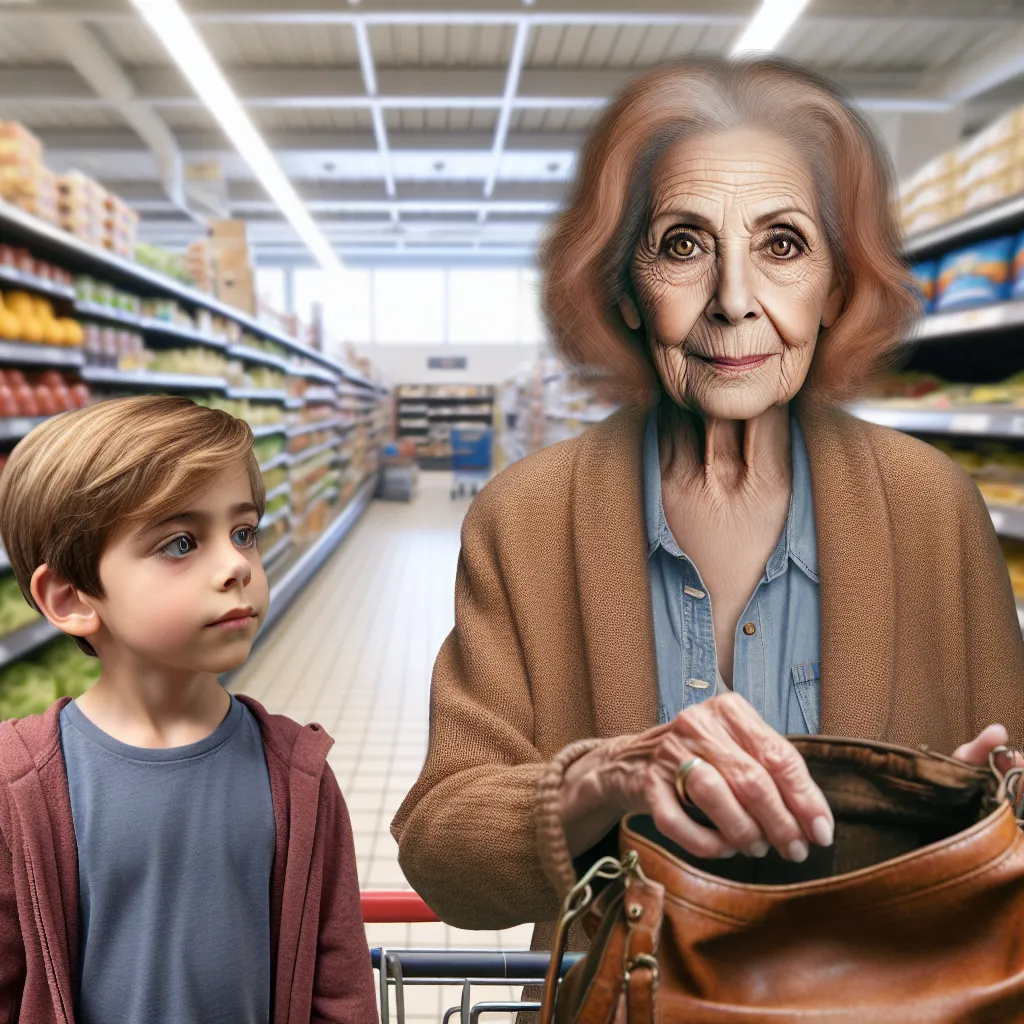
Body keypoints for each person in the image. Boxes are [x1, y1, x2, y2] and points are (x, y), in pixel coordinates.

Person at [391, 55, 1024, 962]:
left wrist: (962, 823)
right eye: (683, 245)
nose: (733, 302)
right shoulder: (526, 517)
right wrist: (603, 782)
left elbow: (1011, 797)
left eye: (783, 245)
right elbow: (442, 848)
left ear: (837, 288)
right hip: (627, 995)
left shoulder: (932, 504)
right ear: (625, 290)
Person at [0, 395, 377, 1024]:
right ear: (70, 598)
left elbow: (337, 984)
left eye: (244, 532)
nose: (235, 566)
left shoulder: (299, 776)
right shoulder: (19, 787)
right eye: (180, 543)